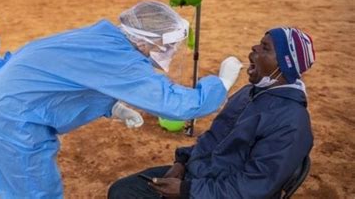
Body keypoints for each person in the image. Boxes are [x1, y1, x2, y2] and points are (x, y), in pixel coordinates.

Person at [0, 0, 243, 198]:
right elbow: (180, 106)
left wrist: (114, 107)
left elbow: (76, 78)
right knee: (33, 190)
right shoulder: (122, 59)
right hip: (10, 117)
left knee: (13, 182)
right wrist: (221, 82)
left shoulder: (106, 37)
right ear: (146, 40)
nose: (169, 52)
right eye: (168, 45)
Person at [108, 27, 315, 199]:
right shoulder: (249, 93)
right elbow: (213, 138)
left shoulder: (291, 122)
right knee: (123, 191)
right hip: (200, 176)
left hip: (217, 191)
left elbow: (253, 188)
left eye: (265, 48)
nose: (254, 48)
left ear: (283, 66)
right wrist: (182, 163)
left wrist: (187, 191)